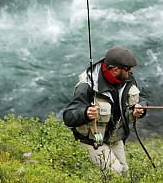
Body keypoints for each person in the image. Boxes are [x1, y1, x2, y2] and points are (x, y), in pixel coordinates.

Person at [63, 45, 147, 176]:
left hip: (115, 137)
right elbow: (68, 117)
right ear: (114, 69)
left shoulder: (127, 79)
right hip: (92, 140)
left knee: (125, 173)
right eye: (127, 69)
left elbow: (142, 98)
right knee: (115, 172)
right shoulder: (87, 86)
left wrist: (140, 108)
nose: (130, 72)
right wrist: (85, 113)